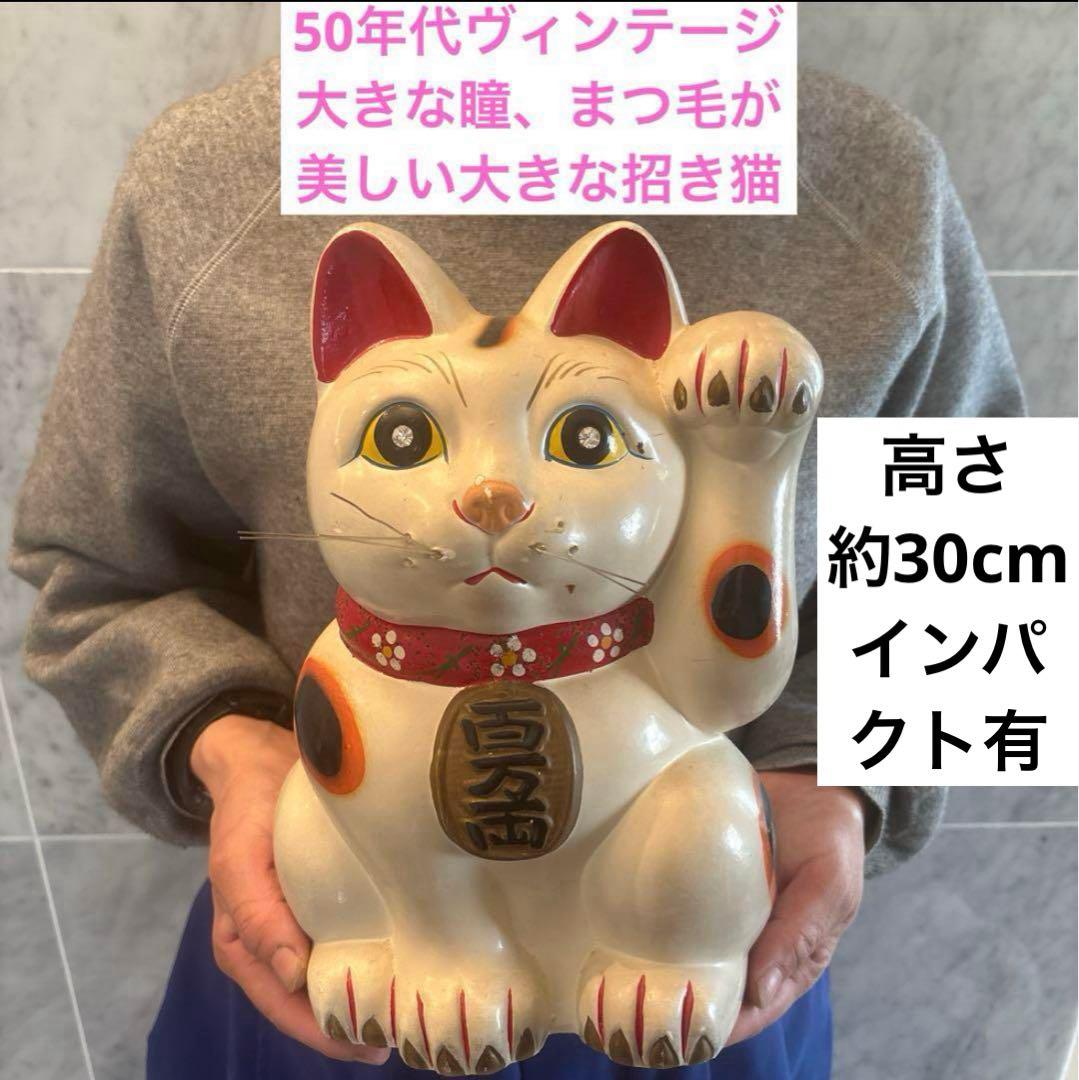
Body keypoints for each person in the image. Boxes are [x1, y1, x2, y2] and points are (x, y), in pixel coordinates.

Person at [9, 59, 1024, 1080]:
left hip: (698, 938)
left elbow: (975, 571)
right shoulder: (211, 177)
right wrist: (232, 747)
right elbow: (92, 573)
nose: (492, 498)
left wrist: (836, 780)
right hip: (347, 940)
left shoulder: (873, 181)